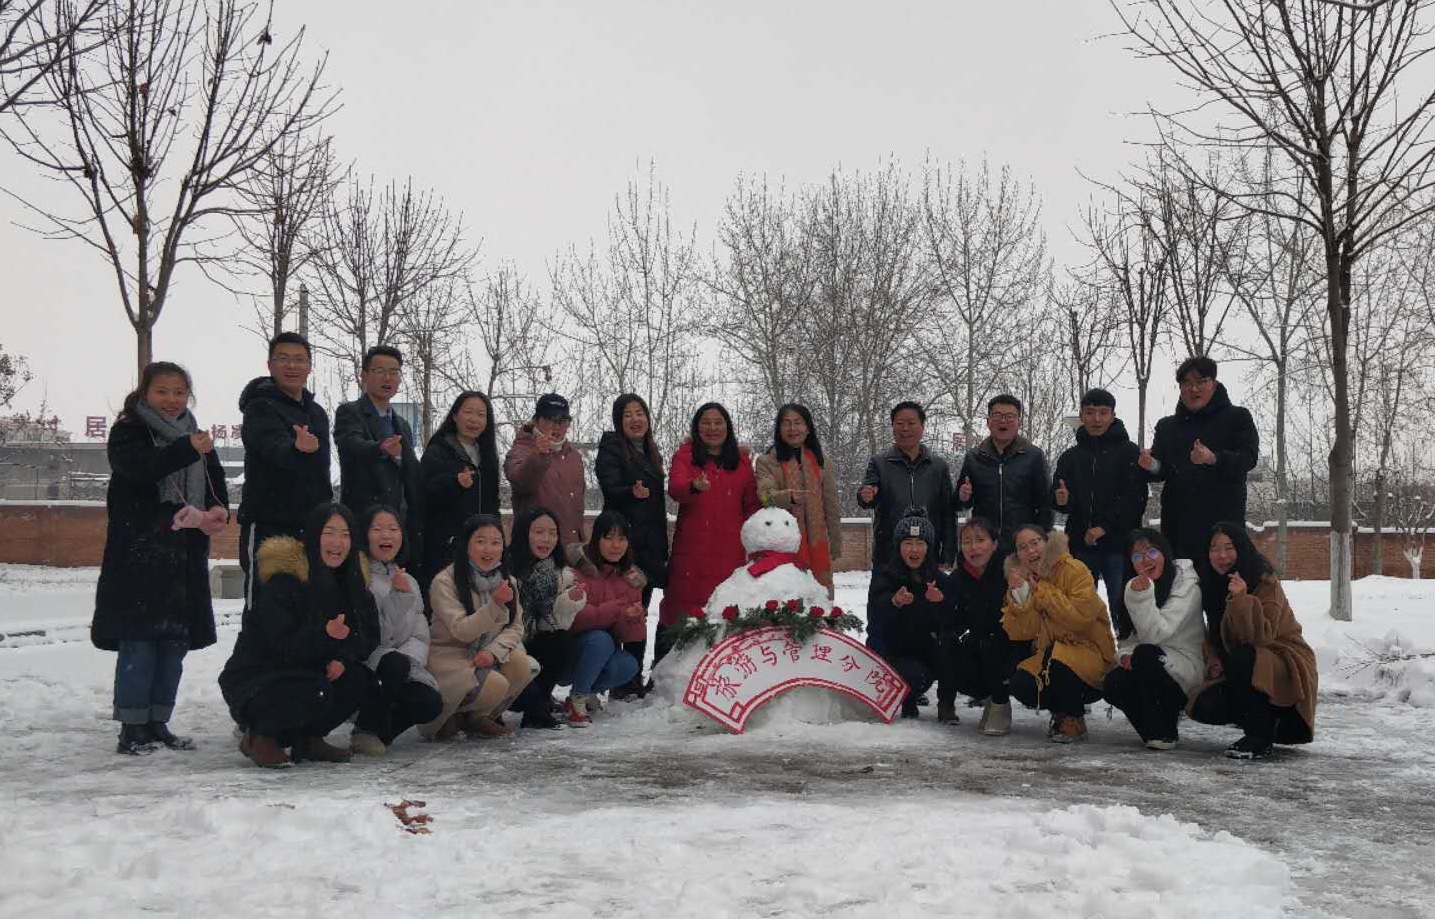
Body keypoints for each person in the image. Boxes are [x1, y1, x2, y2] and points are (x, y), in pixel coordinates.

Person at [92, 362, 229, 754]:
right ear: (145, 393)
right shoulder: (129, 431)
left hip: (184, 557)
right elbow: (140, 469)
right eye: (162, 391)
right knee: (140, 641)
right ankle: (132, 727)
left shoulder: (195, 436)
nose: (172, 400)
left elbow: (215, 484)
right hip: (141, 554)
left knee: (173, 643)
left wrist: (217, 511)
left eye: (179, 392)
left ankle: (158, 722)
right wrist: (186, 449)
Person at [218, 503, 381, 768]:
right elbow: (281, 644)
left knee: (360, 680)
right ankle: (260, 735)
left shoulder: (351, 583)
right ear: (313, 536)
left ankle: (309, 739)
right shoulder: (285, 582)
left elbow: (368, 635)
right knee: (315, 691)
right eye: (329, 532)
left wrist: (343, 658)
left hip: (309, 673)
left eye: (345, 534)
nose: (337, 542)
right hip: (258, 679)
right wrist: (325, 634)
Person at [1189, 522, 1317, 759]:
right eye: (1214, 548)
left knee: (1243, 656)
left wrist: (1241, 599)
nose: (1222, 555)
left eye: (1229, 547)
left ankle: (1260, 735)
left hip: (1283, 660)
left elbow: (1261, 636)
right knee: (1205, 706)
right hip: (1242, 663)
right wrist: (1213, 656)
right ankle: (1263, 719)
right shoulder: (1211, 584)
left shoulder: (1265, 581)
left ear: (1242, 548)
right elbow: (1216, 632)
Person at [237, 332, 332, 613]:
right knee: (265, 610)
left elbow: (322, 471)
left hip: (311, 524)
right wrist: (296, 449)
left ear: (309, 366)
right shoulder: (259, 407)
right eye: (283, 359)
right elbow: (273, 449)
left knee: (308, 609)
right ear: (270, 365)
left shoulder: (317, 413)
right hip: (269, 523)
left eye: (299, 360)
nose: (292, 366)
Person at [659, 402, 759, 664]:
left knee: (723, 612)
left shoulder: (742, 462)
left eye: (718, 422)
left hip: (730, 553)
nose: (712, 428)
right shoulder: (686, 456)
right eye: (706, 422)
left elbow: (752, 505)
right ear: (697, 427)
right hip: (692, 552)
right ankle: (665, 671)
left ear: (728, 427)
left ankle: (721, 670)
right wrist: (693, 485)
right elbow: (676, 488)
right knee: (679, 610)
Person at [420, 514, 534, 740]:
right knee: (495, 685)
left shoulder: (507, 580)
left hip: (485, 652)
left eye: (496, 542)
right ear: (466, 545)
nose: (489, 549)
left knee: (523, 666)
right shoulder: (445, 581)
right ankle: (446, 717)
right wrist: (494, 605)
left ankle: (478, 718)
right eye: (481, 541)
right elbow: (461, 630)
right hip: (452, 655)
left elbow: (516, 627)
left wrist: (493, 652)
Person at [857, 401, 957, 656]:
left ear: (922, 427)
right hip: (887, 557)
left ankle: (919, 670)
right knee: (881, 620)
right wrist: (865, 495)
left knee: (923, 619)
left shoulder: (938, 466)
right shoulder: (879, 463)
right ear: (892, 427)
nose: (905, 429)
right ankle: (877, 670)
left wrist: (948, 551)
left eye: (911, 423)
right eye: (899, 423)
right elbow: (868, 494)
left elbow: (947, 511)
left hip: (926, 557)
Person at [1002, 525, 1117, 743]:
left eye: (1035, 543)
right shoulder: (1024, 579)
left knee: (1061, 663)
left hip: (1091, 653)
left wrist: (1042, 591)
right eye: (1022, 547)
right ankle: (1061, 711)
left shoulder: (1075, 570)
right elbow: (1021, 633)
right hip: (1050, 656)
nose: (1031, 551)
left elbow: (1079, 618)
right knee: (1021, 683)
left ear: (1047, 543)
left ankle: (1074, 716)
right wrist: (1020, 595)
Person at [1139, 357, 1260, 560]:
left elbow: (1248, 457)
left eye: (1200, 381)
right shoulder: (1167, 427)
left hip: (1222, 525)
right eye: (1186, 383)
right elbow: (1162, 470)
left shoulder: (1237, 417)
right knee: (1180, 579)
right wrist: (1151, 465)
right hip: (1178, 527)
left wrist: (1213, 458)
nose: (1193, 389)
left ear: (1214, 383)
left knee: (1221, 578)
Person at [1050, 388, 1148, 636]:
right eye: (1090, 412)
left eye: (1103, 413)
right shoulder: (1070, 457)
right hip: (1080, 545)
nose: (1096, 419)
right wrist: (1061, 499)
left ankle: (1125, 650)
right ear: (1081, 415)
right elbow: (1059, 497)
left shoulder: (1129, 452)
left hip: (1119, 546)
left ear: (1113, 416)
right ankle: (1086, 652)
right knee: (1079, 609)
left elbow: (1135, 499)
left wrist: (1104, 527)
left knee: (1122, 605)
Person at [349, 506, 443, 755]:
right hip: (370, 664)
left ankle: (382, 733)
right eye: (377, 529)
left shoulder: (408, 580)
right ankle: (365, 727)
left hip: (402, 664)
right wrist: (398, 597)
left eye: (393, 529)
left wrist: (409, 659)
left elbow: (420, 632)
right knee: (393, 664)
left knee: (430, 702)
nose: (386, 535)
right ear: (365, 534)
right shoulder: (360, 577)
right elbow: (375, 636)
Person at [1101, 528, 1204, 750]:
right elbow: (1127, 639)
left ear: (1164, 553)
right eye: (1137, 556)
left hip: (1185, 669)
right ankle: (1154, 731)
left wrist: (1140, 598)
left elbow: (1156, 634)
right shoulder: (1133, 586)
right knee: (1113, 682)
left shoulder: (1186, 586)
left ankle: (1164, 729)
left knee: (1146, 655)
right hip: (1150, 663)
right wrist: (1125, 655)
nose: (1146, 560)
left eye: (1152, 552)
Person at [593, 394, 668, 698]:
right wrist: (630, 491)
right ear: (618, 421)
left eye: (640, 413)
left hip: (648, 548)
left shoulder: (650, 451)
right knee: (615, 614)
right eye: (628, 415)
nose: (635, 419)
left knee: (639, 612)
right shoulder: (612, 448)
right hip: (622, 547)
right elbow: (609, 485)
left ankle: (632, 678)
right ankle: (610, 678)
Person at [938, 516, 1027, 735]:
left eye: (980, 540)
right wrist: (941, 604)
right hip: (978, 646)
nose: (973, 548)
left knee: (992, 642)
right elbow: (953, 623)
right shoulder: (957, 579)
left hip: (1013, 647)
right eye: (967, 542)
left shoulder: (1010, 572)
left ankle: (1000, 703)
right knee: (948, 643)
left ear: (994, 544)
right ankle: (959, 700)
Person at [334, 346, 422, 555]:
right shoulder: (350, 412)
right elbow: (351, 443)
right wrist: (380, 447)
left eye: (393, 372)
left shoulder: (402, 424)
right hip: (363, 520)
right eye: (380, 371)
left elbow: (411, 471)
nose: (387, 378)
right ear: (364, 376)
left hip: (397, 524)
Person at [866, 508, 951, 719]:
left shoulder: (939, 580)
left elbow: (953, 623)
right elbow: (875, 620)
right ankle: (907, 697)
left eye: (920, 543)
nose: (914, 549)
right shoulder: (884, 577)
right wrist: (894, 602)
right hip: (896, 654)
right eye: (908, 543)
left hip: (928, 652)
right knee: (910, 675)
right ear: (898, 546)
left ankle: (946, 702)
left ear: (929, 547)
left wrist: (940, 604)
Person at [507, 506, 587, 730]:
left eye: (552, 533)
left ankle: (538, 707)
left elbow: (552, 623)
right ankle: (501, 706)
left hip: (534, 640)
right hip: (507, 645)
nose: (546, 539)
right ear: (524, 533)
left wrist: (568, 601)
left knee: (561, 640)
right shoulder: (505, 567)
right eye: (539, 532)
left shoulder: (559, 573)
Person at [564, 511, 645, 726]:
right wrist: (617, 610)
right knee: (600, 639)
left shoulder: (631, 578)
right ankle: (578, 698)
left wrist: (633, 619)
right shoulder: (576, 571)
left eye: (622, 539)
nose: (616, 545)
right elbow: (574, 620)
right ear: (596, 538)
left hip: (601, 655)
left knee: (628, 664)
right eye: (609, 538)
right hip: (566, 654)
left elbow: (630, 637)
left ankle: (585, 691)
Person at [755, 403, 843, 596]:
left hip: (818, 546)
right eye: (786, 423)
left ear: (808, 428)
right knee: (789, 601)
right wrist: (789, 497)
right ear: (779, 429)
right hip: (783, 544)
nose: (792, 428)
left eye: (798, 422)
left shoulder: (821, 461)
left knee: (820, 600)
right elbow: (765, 497)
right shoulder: (766, 461)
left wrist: (835, 543)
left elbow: (831, 505)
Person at [419, 391, 500, 589]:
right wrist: (455, 484)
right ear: (455, 416)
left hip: (482, 547)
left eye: (481, 415)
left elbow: (492, 502)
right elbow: (424, 494)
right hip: (446, 546)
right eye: (468, 412)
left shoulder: (487, 455)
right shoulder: (438, 451)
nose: (474, 419)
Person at [957, 395, 1052, 551]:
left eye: (1010, 416)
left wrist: (1041, 540)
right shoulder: (974, 457)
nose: (1003, 421)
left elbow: (1046, 504)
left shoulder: (1034, 456)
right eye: (997, 415)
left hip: (1022, 546)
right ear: (988, 421)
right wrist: (963, 497)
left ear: (1019, 422)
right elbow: (961, 503)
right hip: (984, 545)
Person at [505, 393, 586, 549]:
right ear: (536, 421)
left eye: (563, 421)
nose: (557, 426)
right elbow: (520, 482)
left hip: (572, 548)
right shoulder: (522, 449)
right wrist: (539, 456)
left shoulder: (574, 456)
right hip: (536, 549)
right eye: (550, 419)